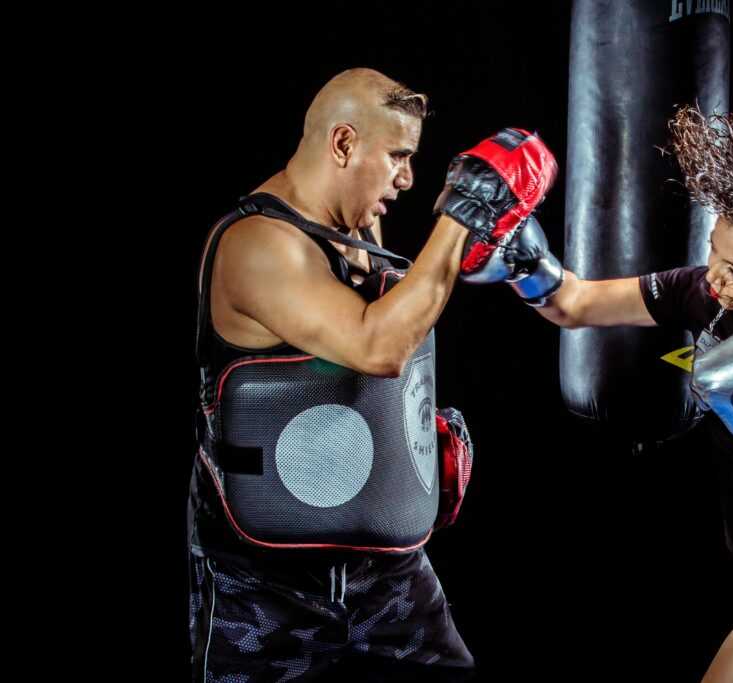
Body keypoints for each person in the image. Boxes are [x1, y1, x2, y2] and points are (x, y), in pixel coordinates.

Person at [482, 106, 733, 683]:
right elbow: (576, 304)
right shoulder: (706, 294)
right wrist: (524, 260)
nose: (715, 274)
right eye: (715, 249)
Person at [188, 67, 557, 681]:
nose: (408, 178)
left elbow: (396, 315)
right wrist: (463, 212)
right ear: (342, 143)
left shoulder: (355, 225)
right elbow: (377, 345)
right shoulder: (259, 245)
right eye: (397, 157)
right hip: (262, 586)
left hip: (383, 573)